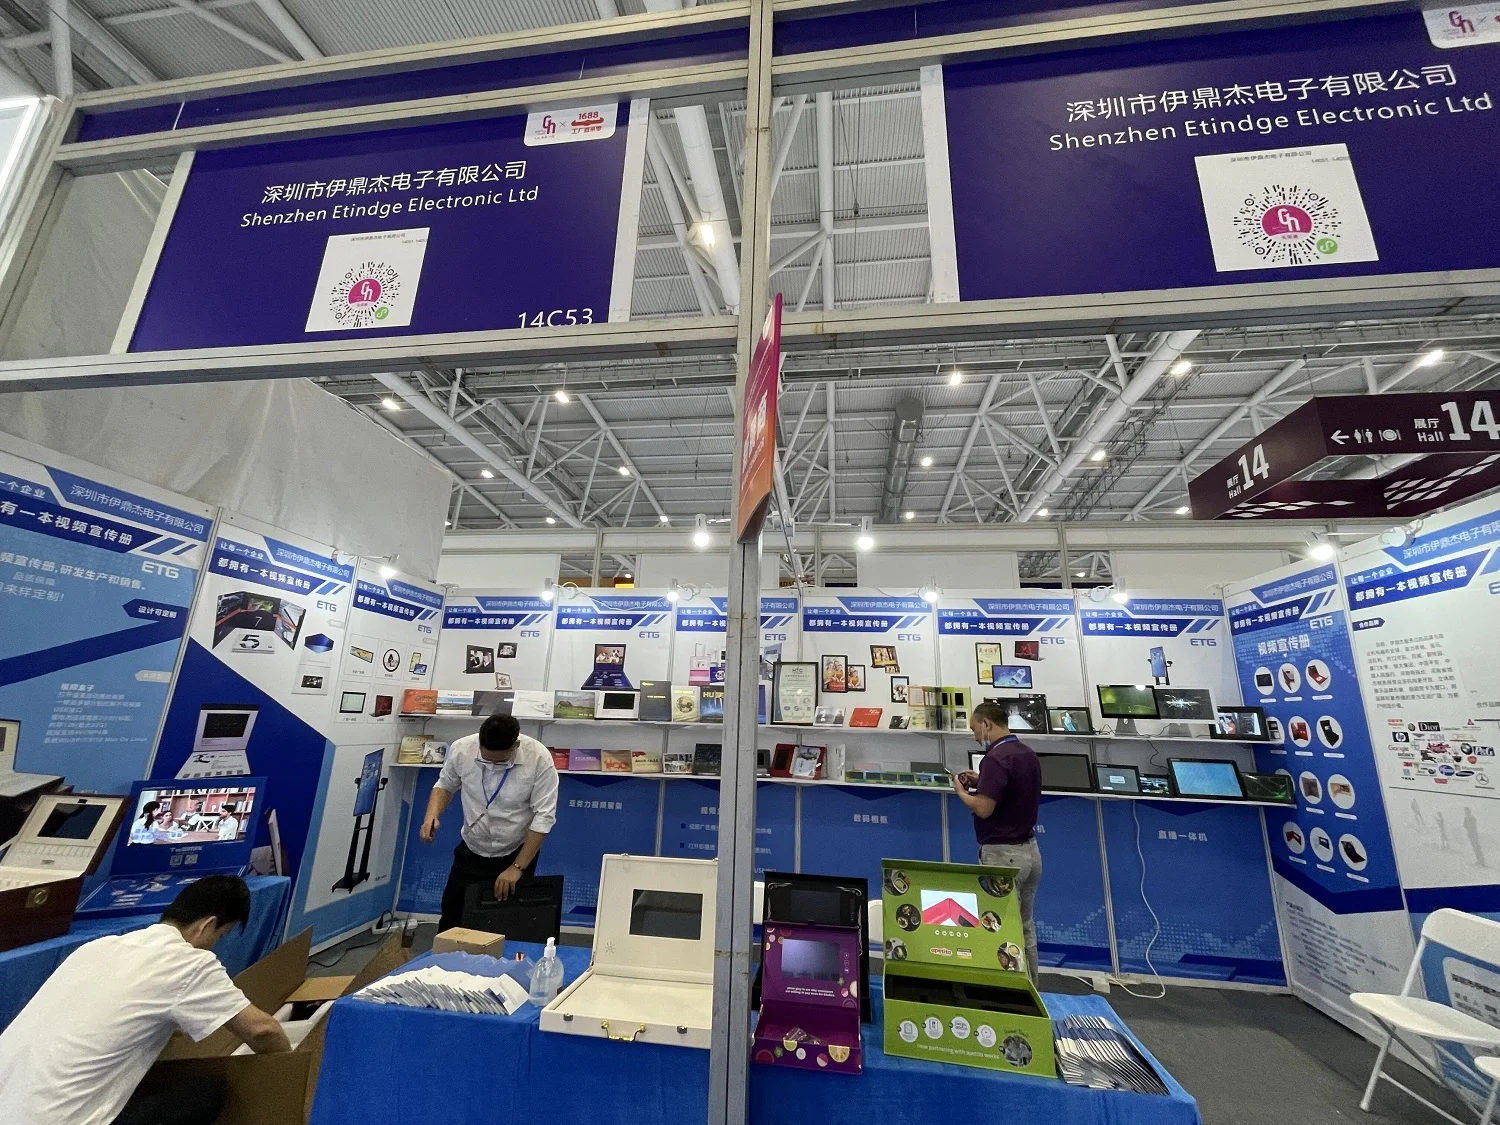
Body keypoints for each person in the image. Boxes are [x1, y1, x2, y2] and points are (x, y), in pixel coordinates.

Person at [0, 875, 290, 1125]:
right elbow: (262, 1031)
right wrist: (290, 1068)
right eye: (221, 936)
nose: (215, 945)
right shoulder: (188, 962)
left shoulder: (97, 948)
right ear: (207, 925)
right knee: (202, 1093)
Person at [421, 711, 559, 931]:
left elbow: (544, 817)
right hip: (472, 848)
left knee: (506, 923)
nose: (493, 765)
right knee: (452, 918)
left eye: (501, 761)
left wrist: (517, 868)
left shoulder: (539, 758)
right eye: (487, 759)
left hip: (515, 851)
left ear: (515, 746)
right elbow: (445, 785)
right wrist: (432, 815)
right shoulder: (462, 749)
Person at [952, 702, 1043, 985]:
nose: (974, 736)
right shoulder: (1026, 753)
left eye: (974, 729)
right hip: (1030, 852)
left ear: (987, 724)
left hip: (1003, 857)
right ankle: (1030, 987)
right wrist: (983, 781)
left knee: (998, 927)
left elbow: (983, 808)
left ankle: (1006, 991)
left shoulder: (994, 758)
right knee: (1024, 925)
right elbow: (1012, 790)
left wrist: (961, 792)